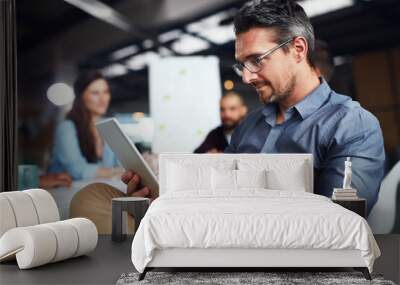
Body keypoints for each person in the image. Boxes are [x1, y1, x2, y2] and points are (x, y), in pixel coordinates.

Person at [224, 0, 384, 213]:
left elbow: (338, 222)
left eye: (256, 60)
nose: (246, 77)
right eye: (242, 64)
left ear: (298, 49)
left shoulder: (352, 126)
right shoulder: (248, 126)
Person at [48, 71, 122, 180]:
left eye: (106, 92)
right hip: (65, 194)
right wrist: (117, 172)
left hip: (98, 191)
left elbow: (121, 164)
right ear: (81, 96)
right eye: (95, 93)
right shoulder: (66, 128)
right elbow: (77, 170)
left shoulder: (110, 128)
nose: (103, 99)